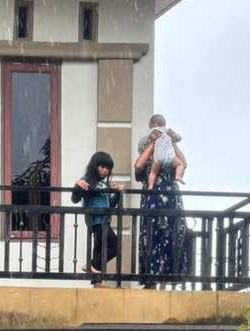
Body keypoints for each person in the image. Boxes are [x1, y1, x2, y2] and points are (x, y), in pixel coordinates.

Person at [134, 114, 188, 286]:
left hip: (171, 201)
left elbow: (183, 164)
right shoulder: (148, 157)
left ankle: (172, 278)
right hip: (152, 202)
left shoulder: (167, 154)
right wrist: (152, 143)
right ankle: (151, 279)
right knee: (151, 238)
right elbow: (138, 167)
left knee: (173, 236)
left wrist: (170, 141)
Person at [71, 151, 125, 281]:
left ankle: (96, 281)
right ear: (95, 166)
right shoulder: (87, 180)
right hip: (97, 221)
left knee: (100, 251)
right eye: (103, 167)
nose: (106, 170)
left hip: (104, 220)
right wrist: (77, 186)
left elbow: (110, 204)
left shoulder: (103, 184)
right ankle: (92, 265)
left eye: (108, 168)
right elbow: (75, 199)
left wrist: (117, 193)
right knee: (116, 246)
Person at [144, 114, 186, 190]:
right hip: (169, 156)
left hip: (158, 157)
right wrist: (173, 136)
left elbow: (146, 141)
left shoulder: (154, 132)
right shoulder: (168, 131)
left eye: (150, 126)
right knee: (180, 164)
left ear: (155, 124)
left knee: (153, 173)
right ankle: (178, 176)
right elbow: (179, 138)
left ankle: (150, 186)